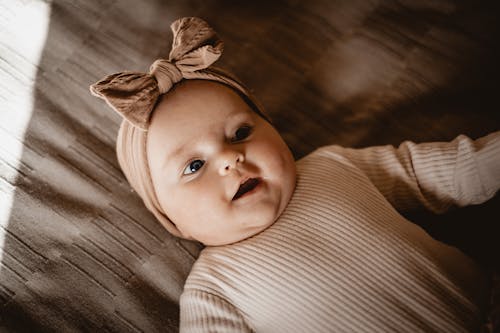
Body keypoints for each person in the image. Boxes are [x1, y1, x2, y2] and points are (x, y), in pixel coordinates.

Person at [90, 17, 500, 332]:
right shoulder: (214, 288)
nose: (230, 159)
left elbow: (429, 172)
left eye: (241, 132)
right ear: (169, 217)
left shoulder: (333, 165)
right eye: (194, 166)